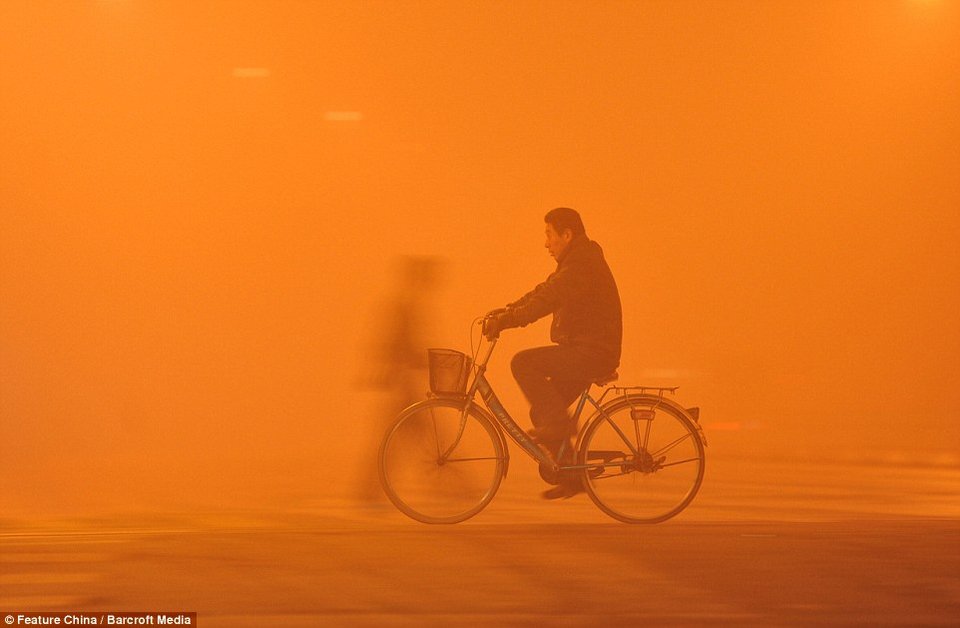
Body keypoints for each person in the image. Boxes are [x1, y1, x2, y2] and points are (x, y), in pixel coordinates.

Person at [485, 207, 622, 499]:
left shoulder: (582, 264)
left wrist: (508, 321)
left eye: (549, 235)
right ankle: (574, 477)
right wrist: (508, 310)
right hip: (586, 349)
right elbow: (544, 290)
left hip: (593, 351)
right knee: (543, 410)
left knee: (523, 363)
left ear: (567, 234)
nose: (546, 243)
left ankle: (561, 426)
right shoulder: (576, 262)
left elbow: (548, 299)